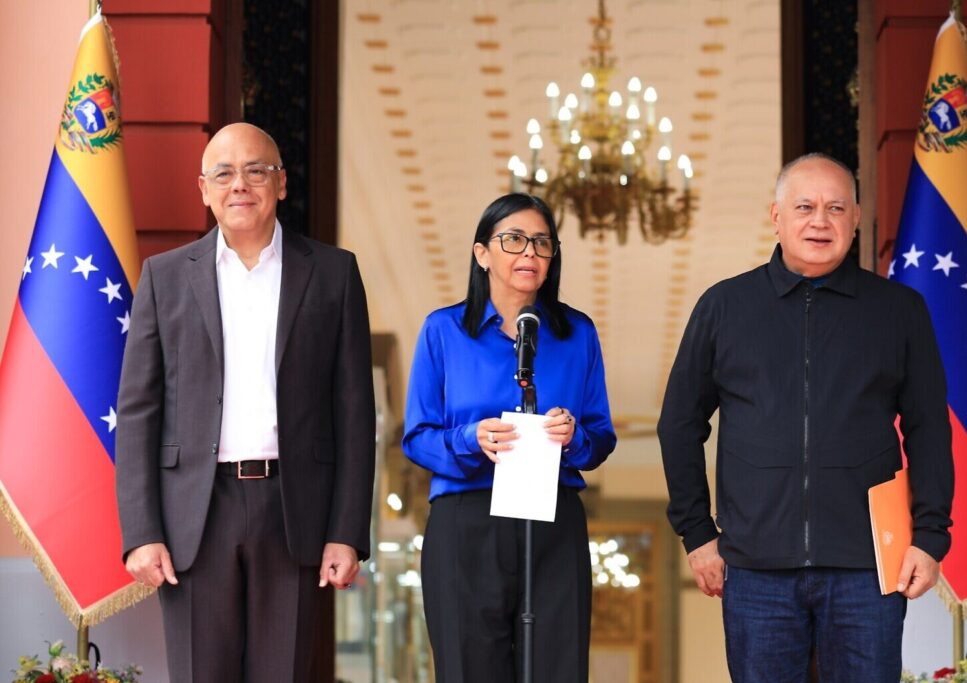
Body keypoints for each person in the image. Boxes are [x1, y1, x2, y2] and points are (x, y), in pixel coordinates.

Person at [658, 153, 954, 682]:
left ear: (856, 218)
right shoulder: (724, 307)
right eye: (805, 207)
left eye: (836, 207)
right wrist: (698, 534)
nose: (821, 220)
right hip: (754, 571)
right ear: (776, 215)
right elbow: (679, 423)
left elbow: (928, 426)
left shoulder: (899, 310)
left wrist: (930, 537)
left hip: (869, 569)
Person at [115, 122, 376, 682]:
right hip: (194, 516)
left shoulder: (333, 274)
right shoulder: (163, 278)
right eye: (224, 173)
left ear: (281, 183)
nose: (240, 184)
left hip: (295, 512)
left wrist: (348, 529)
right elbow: (138, 411)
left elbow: (355, 414)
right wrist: (141, 531)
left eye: (256, 170)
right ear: (202, 189)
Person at [403, 193, 616, 683]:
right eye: (514, 240)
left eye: (542, 243)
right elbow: (416, 437)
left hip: (553, 521)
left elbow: (601, 437)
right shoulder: (444, 330)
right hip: (466, 519)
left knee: (557, 668)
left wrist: (574, 436)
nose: (529, 254)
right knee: (469, 667)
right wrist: (468, 438)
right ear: (482, 254)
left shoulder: (577, 332)